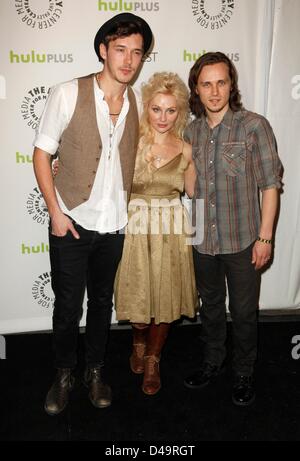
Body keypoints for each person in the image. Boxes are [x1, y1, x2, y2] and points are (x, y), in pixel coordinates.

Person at [32, 13, 153, 415]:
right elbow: (41, 153)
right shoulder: (68, 92)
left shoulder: (136, 100)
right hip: (71, 220)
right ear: (103, 50)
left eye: (137, 53)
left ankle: (95, 371)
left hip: (114, 224)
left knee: (102, 304)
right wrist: (55, 212)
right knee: (68, 305)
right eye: (120, 50)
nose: (128, 60)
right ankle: (64, 373)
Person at [183, 52, 282, 406]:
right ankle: (213, 362)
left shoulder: (254, 126)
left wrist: (265, 237)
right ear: (196, 88)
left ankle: (243, 372)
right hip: (202, 240)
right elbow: (189, 187)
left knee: (243, 312)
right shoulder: (190, 131)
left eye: (221, 82)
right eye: (206, 84)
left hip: (243, 239)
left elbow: (270, 185)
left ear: (231, 84)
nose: (214, 91)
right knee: (210, 307)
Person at [114, 72, 199, 395]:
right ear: (146, 108)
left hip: (171, 229)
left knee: (165, 297)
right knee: (137, 299)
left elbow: (195, 192)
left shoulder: (188, 150)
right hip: (134, 226)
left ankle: (153, 357)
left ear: (180, 111)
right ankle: (138, 338)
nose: (163, 117)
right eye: (156, 109)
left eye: (171, 110)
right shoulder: (129, 140)